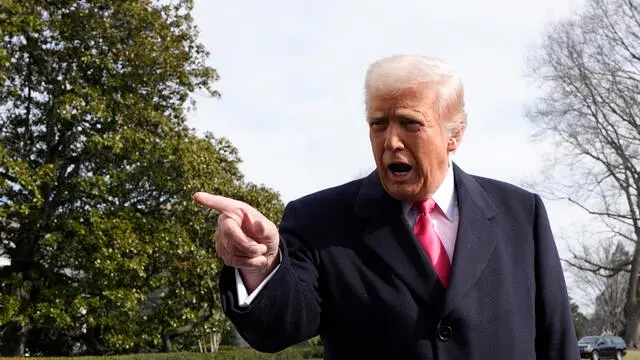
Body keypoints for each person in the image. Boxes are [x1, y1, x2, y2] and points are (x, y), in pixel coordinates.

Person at [193, 55, 580, 360]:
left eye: (410, 123)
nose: (391, 141)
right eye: (378, 124)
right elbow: (278, 329)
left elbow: (557, 341)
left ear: (454, 135)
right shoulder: (318, 220)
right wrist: (258, 266)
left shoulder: (521, 213)